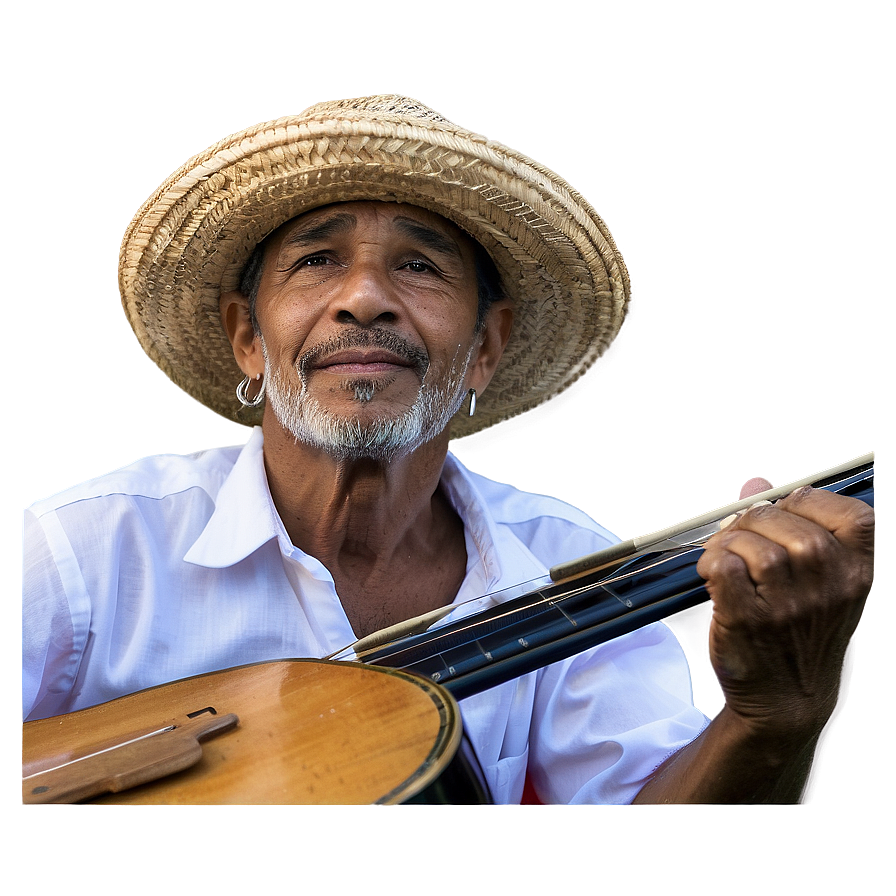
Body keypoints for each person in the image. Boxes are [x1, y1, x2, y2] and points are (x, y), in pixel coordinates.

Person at [22, 95, 874, 804]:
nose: (364, 299)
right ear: (248, 338)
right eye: (316, 260)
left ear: (485, 349)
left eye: (420, 268)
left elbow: (652, 860)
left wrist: (775, 716)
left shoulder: (563, 564)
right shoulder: (86, 553)